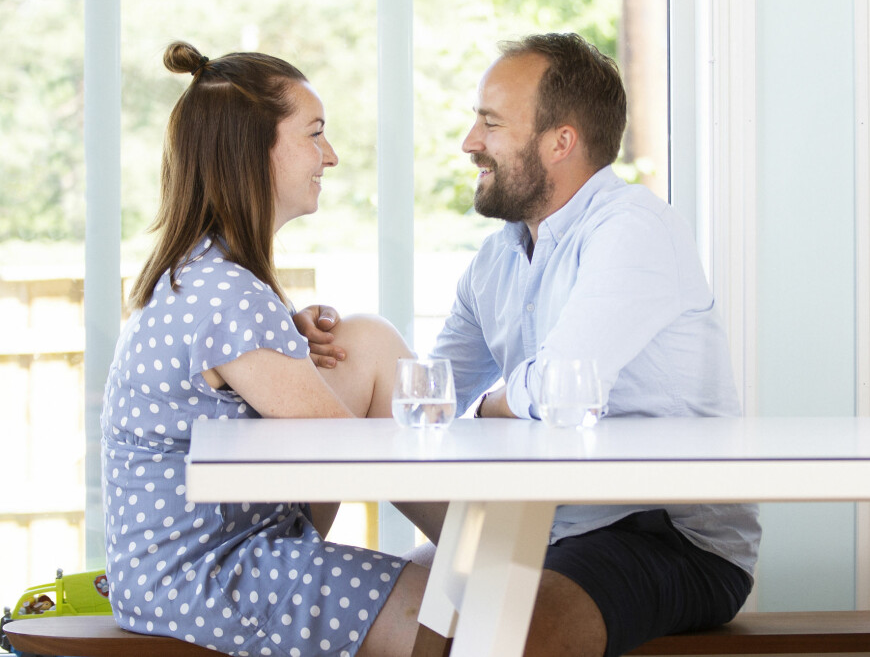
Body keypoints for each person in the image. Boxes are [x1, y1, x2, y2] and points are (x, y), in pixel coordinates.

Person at [301, 33, 761, 657]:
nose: (469, 143)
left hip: (664, 533)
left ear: (561, 141)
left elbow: (562, 386)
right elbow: (430, 396)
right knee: (389, 610)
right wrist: (323, 342)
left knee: (508, 632)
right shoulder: (497, 260)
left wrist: (492, 404)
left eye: (490, 123)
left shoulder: (635, 229)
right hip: (538, 522)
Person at [100, 41, 432, 657]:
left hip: (173, 575)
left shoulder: (205, 276)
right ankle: (479, 548)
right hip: (211, 580)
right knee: (477, 616)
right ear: (255, 151)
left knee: (363, 339)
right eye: (315, 134)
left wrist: (287, 333)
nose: (329, 156)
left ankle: (475, 548)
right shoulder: (227, 294)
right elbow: (347, 453)